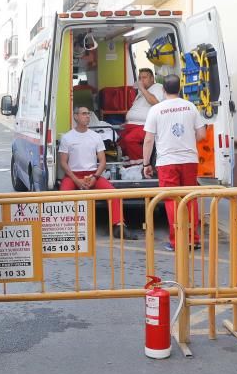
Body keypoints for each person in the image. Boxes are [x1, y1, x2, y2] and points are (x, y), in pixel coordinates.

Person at [142, 74, 205, 251]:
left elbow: (148, 140)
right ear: (180, 88)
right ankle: (193, 239)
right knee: (190, 198)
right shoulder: (190, 107)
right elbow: (201, 135)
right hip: (189, 160)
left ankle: (177, 241)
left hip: (167, 162)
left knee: (171, 200)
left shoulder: (156, 110)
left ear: (163, 90)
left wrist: (146, 164)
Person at [58, 105, 138, 240]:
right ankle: (65, 229)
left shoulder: (95, 137)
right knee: (62, 197)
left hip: (92, 175)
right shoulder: (67, 138)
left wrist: (95, 177)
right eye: (83, 114)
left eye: (88, 113)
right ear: (76, 116)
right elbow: (63, 163)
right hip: (73, 176)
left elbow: (102, 161)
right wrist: (76, 180)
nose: (87, 116)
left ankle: (119, 226)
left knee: (114, 194)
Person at [120, 68, 165, 161]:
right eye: (140, 78)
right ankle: (130, 161)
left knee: (130, 139)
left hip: (146, 125)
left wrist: (142, 88)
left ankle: (142, 164)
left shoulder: (158, 87)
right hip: (133, 124)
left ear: (152, 78)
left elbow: (155, 102)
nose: (141, 80)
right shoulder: (142, 91)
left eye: (144, 77)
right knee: (120, 140)